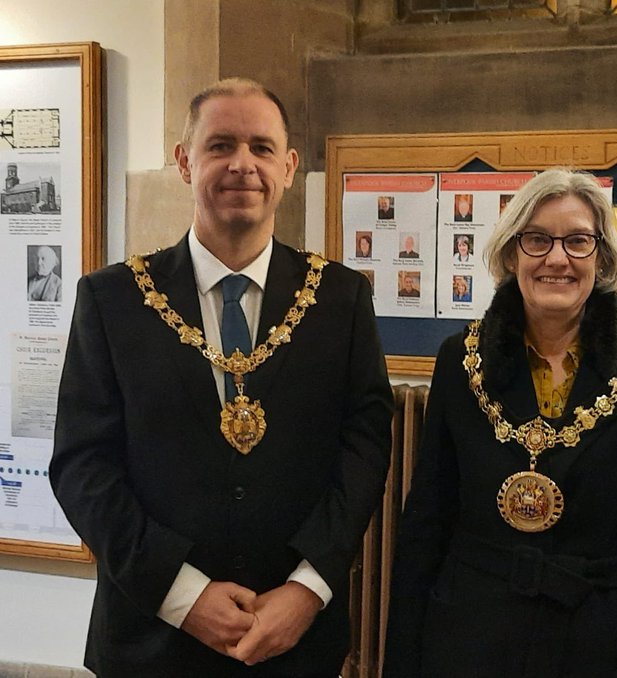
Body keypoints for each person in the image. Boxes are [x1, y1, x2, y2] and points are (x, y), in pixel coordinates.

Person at [50, 77, 393, 678]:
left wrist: (307, 589)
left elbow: (363, 452)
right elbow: (82, 466)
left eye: (262, 148)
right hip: (148, 639)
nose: (243, 165)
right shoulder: (113, 300)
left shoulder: (340, 298)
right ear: (185, 162)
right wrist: (182, 597)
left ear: (288, 167)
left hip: (293, 639)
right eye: (220, 146)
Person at [384, 168, 617, 677]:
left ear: (601, 258)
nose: (557, 258)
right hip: (470, 637)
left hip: (600, 641)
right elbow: (428, 519)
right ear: (512, 254)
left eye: (578, 241)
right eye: (537, 240)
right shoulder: (460, 361)